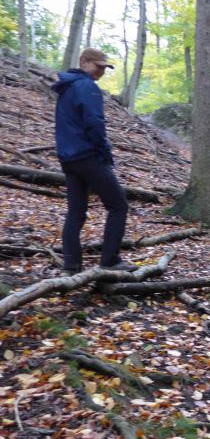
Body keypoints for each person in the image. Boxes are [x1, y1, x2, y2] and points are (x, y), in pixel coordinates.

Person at [52, 48, 135, 276]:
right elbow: (94, 122)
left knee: (76, 212)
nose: (101, 71)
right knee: (118, 205)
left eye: (104, 68)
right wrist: (103, 151)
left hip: (68, 157)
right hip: (87, 155)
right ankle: (110, 260)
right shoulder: (86, 86)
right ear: (84, 62)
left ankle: (71, 266)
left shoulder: (66, 87)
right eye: (98, 66)